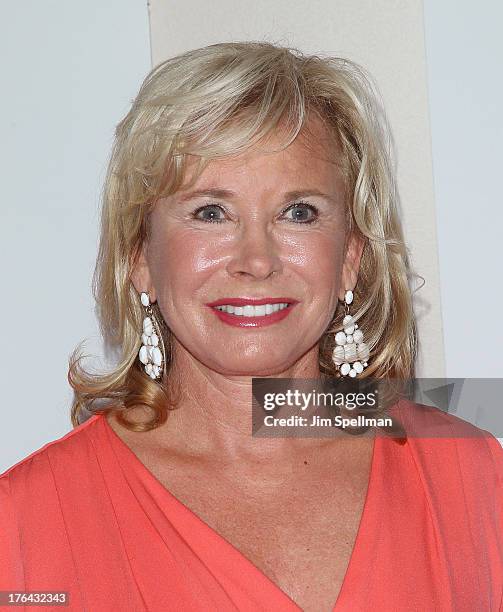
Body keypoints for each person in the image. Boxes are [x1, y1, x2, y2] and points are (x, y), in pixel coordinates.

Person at [0, 41, 501, 612]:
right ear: (140, 256)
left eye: (299, 213)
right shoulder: (24, 522)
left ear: (350, 258)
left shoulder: (472, 476)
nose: (257, 259)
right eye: (211, 212)